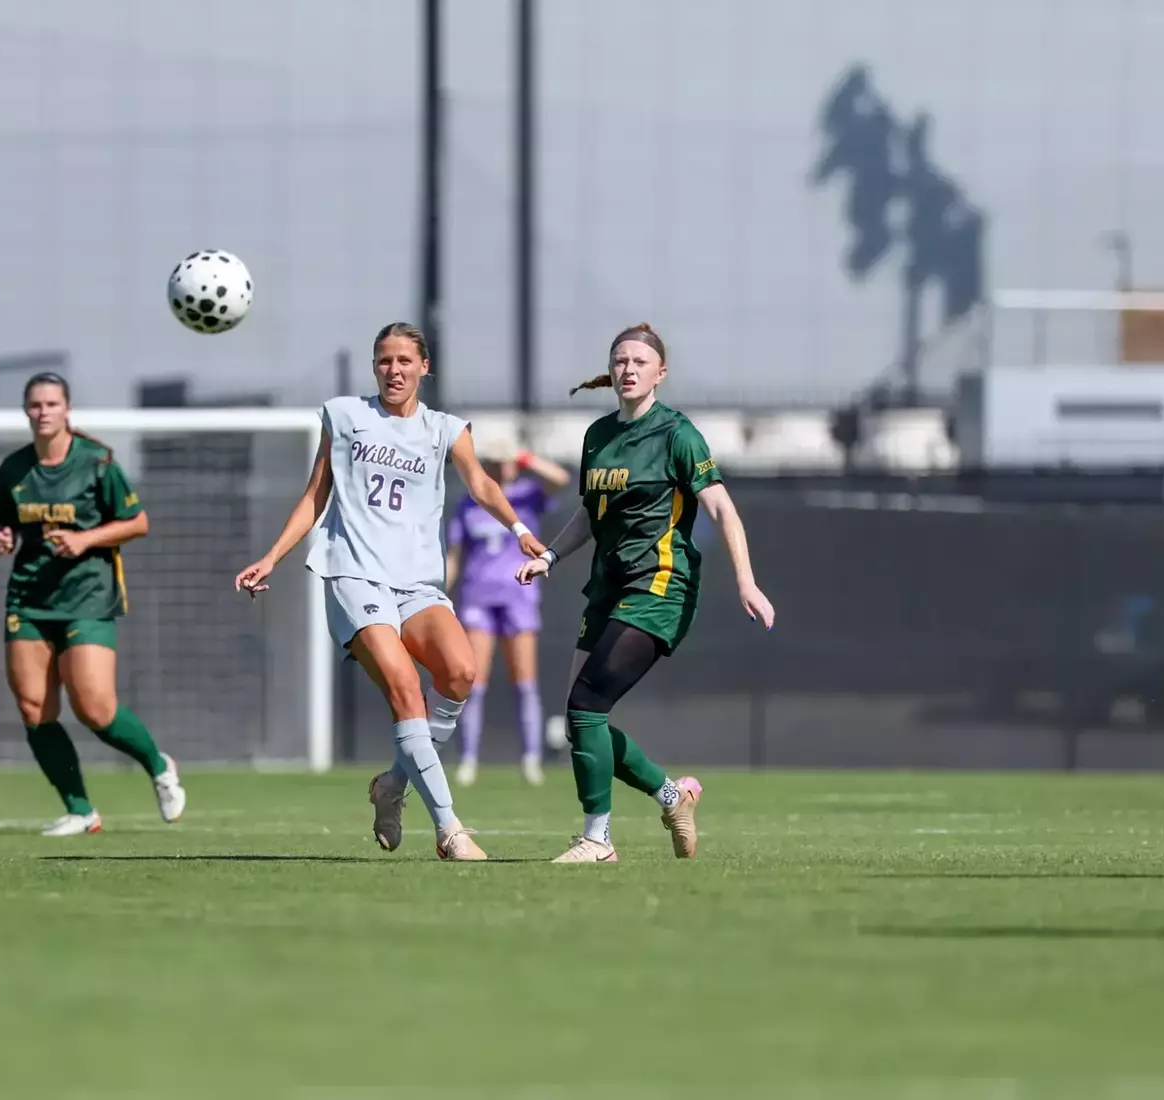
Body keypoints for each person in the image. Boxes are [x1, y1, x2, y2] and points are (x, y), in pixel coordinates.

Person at [235, 323, 545, 861]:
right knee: (405, 688)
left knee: (460, 673)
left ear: (425, 366)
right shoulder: (346, 416)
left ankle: (391, 787)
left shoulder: (446, 429)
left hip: (417, 581)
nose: (393, 370)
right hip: (354, 573)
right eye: (383, 361)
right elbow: (315, 496)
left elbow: (481, 483)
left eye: (404, 360)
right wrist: (271, 557)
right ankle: (450, 831)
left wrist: (520, 531)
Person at [516, 324, 775, 863]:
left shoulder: (677, 434)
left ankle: (598, 840)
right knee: (580, 718)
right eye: (619, 360)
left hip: (659, 585)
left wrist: (746, 580)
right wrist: (548, 556)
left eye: (639, 361)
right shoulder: (597, 436)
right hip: (607, 587)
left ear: (661, 373)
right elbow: (591, 513)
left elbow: (722, 508)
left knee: (585, 706)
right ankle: (671, 796)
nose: (628, 368)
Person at [0, 372, 186, 836]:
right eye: (35, 405)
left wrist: (85, 540)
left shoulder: (97, 463)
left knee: (96, 709)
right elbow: (9, 528)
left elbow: (137, 522)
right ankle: (81, 810)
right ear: (26, 412)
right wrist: (3, 540)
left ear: (67, 409)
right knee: (34, 708)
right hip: (29, 599)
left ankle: (158, 764)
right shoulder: (14, 469)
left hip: (87, 597)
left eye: (52, 404)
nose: (43, 412)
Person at [444, 441, 569, 787]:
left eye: (510, 462)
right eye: (499, 461)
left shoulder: (529, 495)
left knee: (524, 682)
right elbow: (454, 554)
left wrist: (526, 455)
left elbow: (560, 478)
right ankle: (467, 759)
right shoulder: (469, 502)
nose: (506, 467)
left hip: (520, 597)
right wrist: (440, 591)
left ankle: (531, 759)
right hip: (477, 597)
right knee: (473, 682)